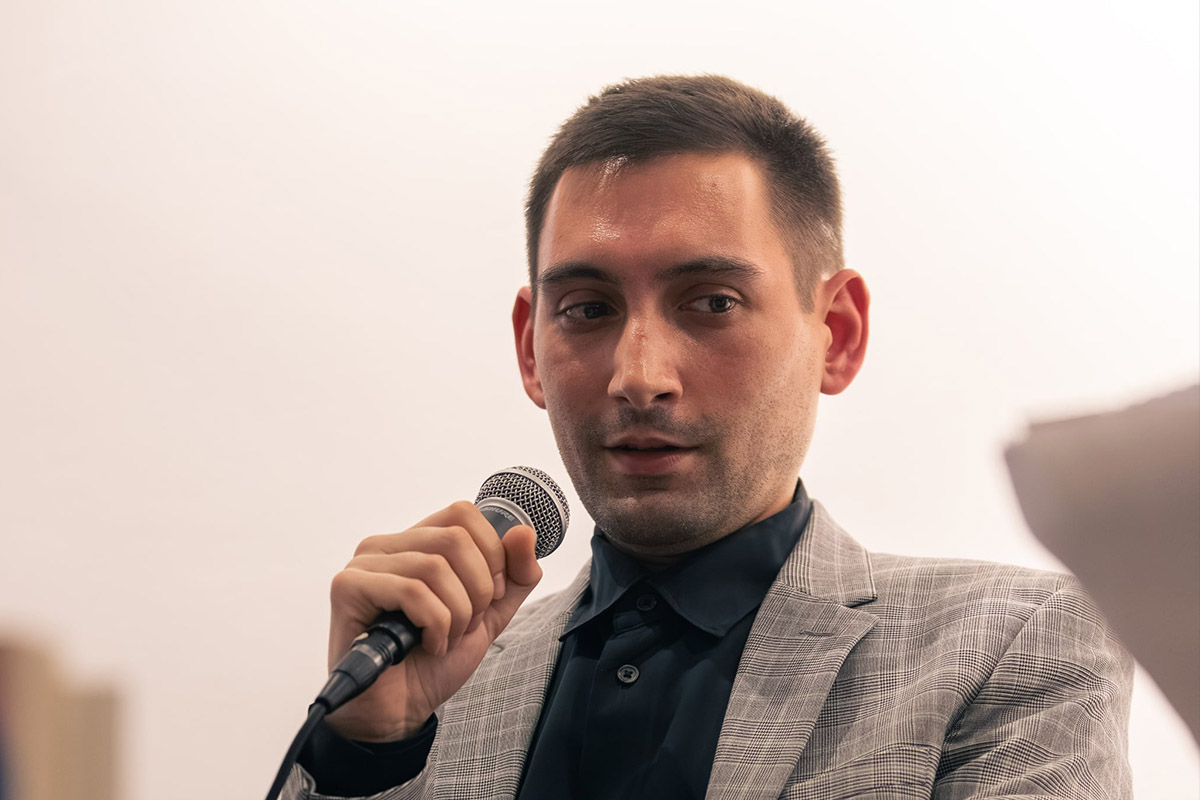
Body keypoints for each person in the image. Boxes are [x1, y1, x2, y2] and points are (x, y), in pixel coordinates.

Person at [282, 74, 1133, 799]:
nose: (638, 374)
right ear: (529, 349)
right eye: (588, 309)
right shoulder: (427, 688)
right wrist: (366, 754)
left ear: (836, 334)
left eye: (713, 302)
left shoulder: (1009, 647)